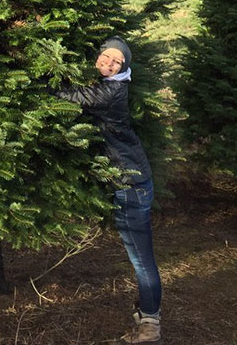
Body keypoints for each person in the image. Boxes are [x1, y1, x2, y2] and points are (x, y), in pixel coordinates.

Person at [57, 37, 162, 345]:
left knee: (142, 261)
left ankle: (150, 325)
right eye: (105, 56)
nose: (109, 62)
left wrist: (39, 79)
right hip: (134, 180)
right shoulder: (111, 83)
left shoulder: (111, 92)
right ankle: (145, 316)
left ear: (124, 66)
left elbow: (68, 96)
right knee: (142, 258)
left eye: (117, 60)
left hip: (131, 186)